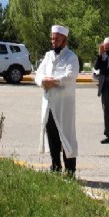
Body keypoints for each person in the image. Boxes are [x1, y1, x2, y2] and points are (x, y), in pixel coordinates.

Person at [35, 25, 80, 175]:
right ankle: (55, 166)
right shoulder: (48, 56)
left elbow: (70, 75)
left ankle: (70, 170)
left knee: (66, 136)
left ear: (64, 40)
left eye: (57, 39)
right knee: (52, 136)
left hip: (64, 105)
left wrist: (53, 81)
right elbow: (38, 74)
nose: (53, 41)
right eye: (52, 38)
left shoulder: (71, 57)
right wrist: (43, 80)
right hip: (49, 105)